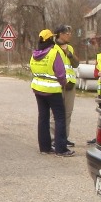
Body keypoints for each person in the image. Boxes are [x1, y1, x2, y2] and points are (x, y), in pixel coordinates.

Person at [30, 29, 74, 157]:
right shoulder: (54, 53)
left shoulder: (34, 54)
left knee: (43, 117)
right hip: (53, 90)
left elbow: (32, 69)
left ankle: (45, 147)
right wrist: (64, 83)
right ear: (51, 39)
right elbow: (60, 73)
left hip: (38, 90)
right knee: (59, 118)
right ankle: (61, 149)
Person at [50, 25, 78, 147]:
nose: (70, 35)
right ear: (60, 34)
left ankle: (63, 138)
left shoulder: (70, 48)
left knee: (67, 113)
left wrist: (69, 54)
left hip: (70, 85)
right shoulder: (52, 47)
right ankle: (53, 139)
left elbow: (76, 64)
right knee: (55, 113)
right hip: (57, 84)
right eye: (67, 33)